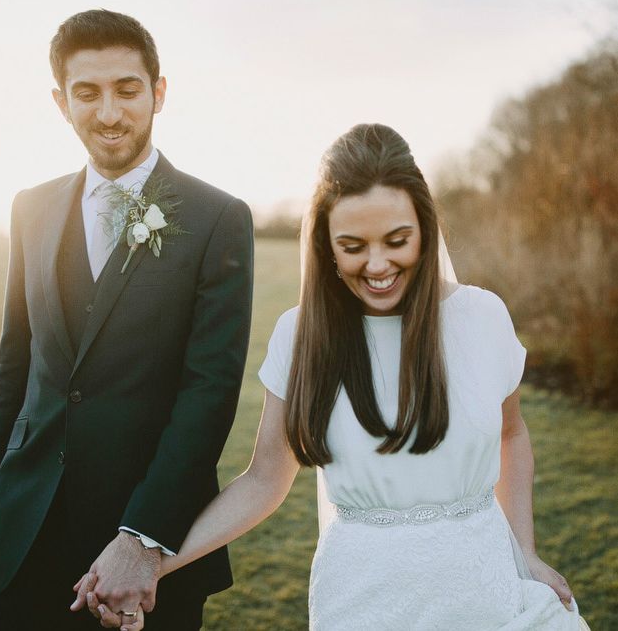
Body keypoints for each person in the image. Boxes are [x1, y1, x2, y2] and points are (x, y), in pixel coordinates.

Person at [157, 123, 584, 630]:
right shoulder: (302, 335)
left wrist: (525, 552)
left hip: (483, 595)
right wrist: (154, 561)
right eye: (353, 245)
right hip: (360, 602)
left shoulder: (482, 317)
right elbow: (264, 479)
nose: (378, 264)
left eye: (396, 240)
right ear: (326, 246)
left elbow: (512, 435)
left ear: (425, 230)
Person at [0, 9, 254, 631]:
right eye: (86, 93)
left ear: (159, 92)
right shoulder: (29, 208)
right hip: (24, 533)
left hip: (146, 552)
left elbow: (210, 391)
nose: (110, 113)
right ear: (60, 102)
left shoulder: (217, 217)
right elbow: (16, 365)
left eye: (127, 89)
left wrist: (143, 539)